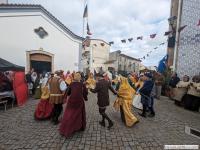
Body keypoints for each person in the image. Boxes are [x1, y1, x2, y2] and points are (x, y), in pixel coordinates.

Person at [59, 73, 88, 138]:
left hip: (71, 101)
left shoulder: (71, 84)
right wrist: (85, 98)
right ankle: (77, 126)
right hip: (79, 101)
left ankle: (68, 126)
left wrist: (65, 97)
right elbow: (85, 93)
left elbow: (68, 92)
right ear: (80, 78)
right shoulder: (82, 84)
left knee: (69, 114)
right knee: (78, 114)